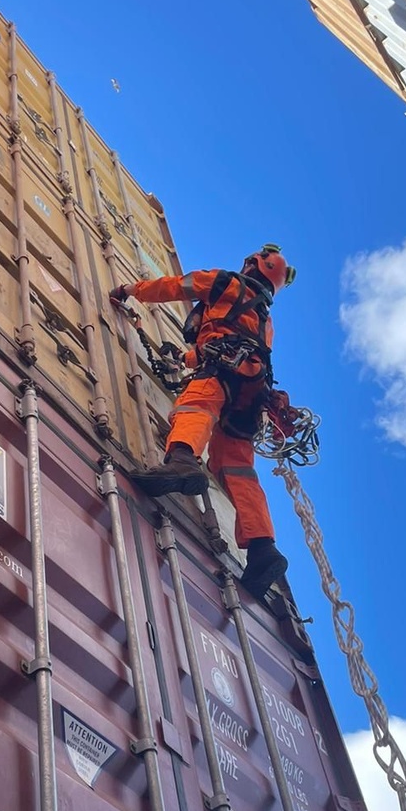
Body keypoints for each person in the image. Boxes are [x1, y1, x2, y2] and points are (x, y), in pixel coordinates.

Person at [110, 244, 295, 598]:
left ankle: (182, 461)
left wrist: (131, 290)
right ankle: (262, 548)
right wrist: (185, 357)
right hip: (252, 389)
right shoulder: (265, 319)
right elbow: (233, 338)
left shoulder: (225, 283)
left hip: (222, 371)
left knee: (194, 408)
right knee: (236, 465)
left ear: (252, 264)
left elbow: (176, 286)